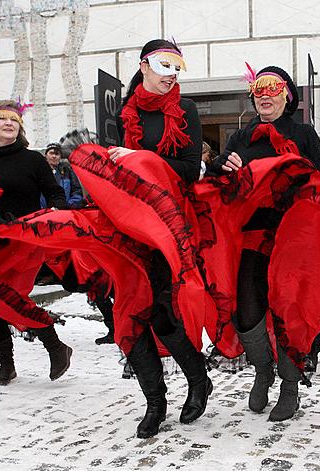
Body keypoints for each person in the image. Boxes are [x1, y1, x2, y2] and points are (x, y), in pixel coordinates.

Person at [208, 64, 320, 421]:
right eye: (258, 89)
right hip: (254, 233)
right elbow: (220, 178)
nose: (264, 95)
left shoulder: (304, 134)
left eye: (272, 88)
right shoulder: (242, 138)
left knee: (288, 310)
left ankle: (290, 388)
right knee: (246, 309)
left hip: (293, 235)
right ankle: (263, 369)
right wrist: (220, 166)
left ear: (287, 95)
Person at [108, 38, 211, 437]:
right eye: (164, 64)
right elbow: (117, 167)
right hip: (129, 221)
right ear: (144, 66)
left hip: (170, 223)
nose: (171, 74)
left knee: (164, 314)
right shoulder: (125, 111)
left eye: (177, 66)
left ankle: (198, 381)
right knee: (130, 315)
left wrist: (140, 161)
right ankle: (155, 401)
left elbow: (188, 168)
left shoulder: (185, 109)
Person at [0, 99, 70, 385]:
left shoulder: (33, 159)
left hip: (25, 241)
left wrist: (57, 210)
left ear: (19, 126)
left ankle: (54, 345)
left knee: (12, 297)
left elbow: (55, 192)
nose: (9, 123)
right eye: (3, 118)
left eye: (14, 119)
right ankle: (6, 364)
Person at [40, 143, 84, 209]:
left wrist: (67, 206)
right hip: (43, 212)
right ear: (46, 155)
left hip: (64, 212)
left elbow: (77, 192)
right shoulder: (39, 170)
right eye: (51, 153)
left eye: (57, 154)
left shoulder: (67, 171)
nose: (54, 156)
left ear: (60, 157)